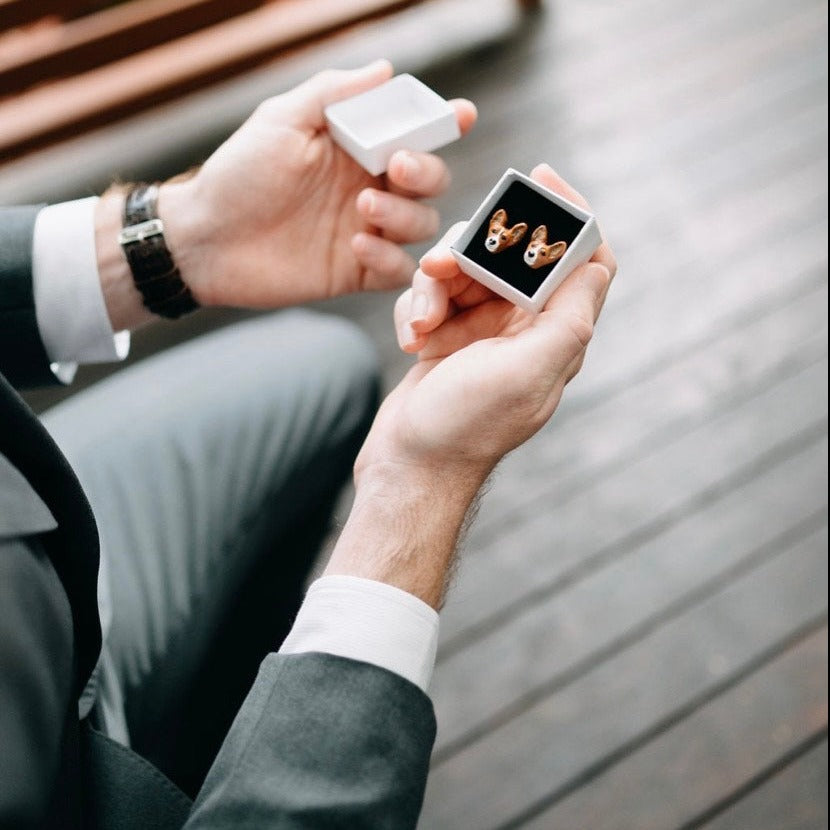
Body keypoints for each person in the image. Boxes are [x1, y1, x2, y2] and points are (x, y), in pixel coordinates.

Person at [0, 58, 615, 828]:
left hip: (34, 527)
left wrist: (173, 238)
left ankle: (223, 726)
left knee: (322, 369)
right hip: (61, 767)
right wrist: (416, 483)